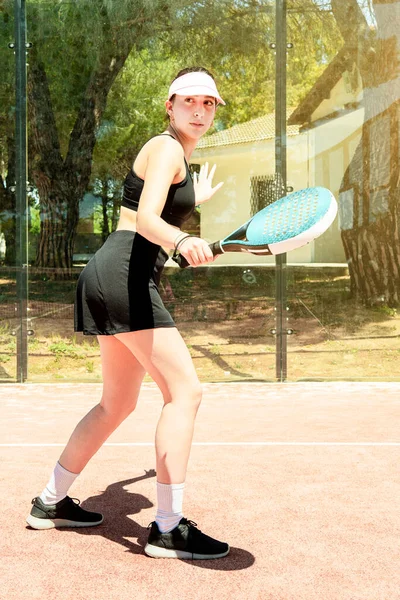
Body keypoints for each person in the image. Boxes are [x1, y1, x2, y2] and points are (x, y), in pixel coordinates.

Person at [26, 67, 230, 560]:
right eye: (190, 102)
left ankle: (49, 503)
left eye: (209, 104)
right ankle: (166, 527)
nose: (200, 111)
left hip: (112, 272)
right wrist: (180, 235)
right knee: (185, 392)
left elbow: (153, 213)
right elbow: (146, 219)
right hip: (123, 274)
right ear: (170, 105)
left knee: (116, 404)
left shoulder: (176, 157)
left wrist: (189, 208)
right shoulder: (165, 149)